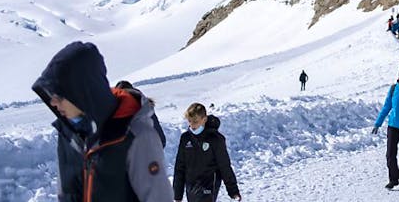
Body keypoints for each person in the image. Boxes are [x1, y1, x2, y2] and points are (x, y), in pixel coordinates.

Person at [32, 41, 174, 202]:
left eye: (59, 96)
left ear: (80, 93)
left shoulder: (137, 135)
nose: (53, 103)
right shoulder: (69, 136)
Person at [173, 103, 242, 202]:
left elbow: (224, 166)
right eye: (190, 121)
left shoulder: (215, 139)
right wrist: (177, 195)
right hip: (191, 186)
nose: (192, 125)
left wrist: (233, 191)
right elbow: (180, 166)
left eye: (195, 122)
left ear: (204, 119)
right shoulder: (185, 138)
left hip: (208, 184)